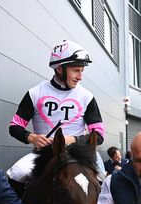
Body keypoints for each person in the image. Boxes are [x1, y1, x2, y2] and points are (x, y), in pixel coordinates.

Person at [6, 40, 106, 187]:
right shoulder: (35, 93)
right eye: (76, 70)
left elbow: (99, 135)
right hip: (45, 154)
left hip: (80, 154)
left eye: (82, 71)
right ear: (60, 69)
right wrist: (31, 137)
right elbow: (14, 127)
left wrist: (72, 140)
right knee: (16, 174)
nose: (80, 77)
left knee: (103, 182)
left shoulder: (87, 97)